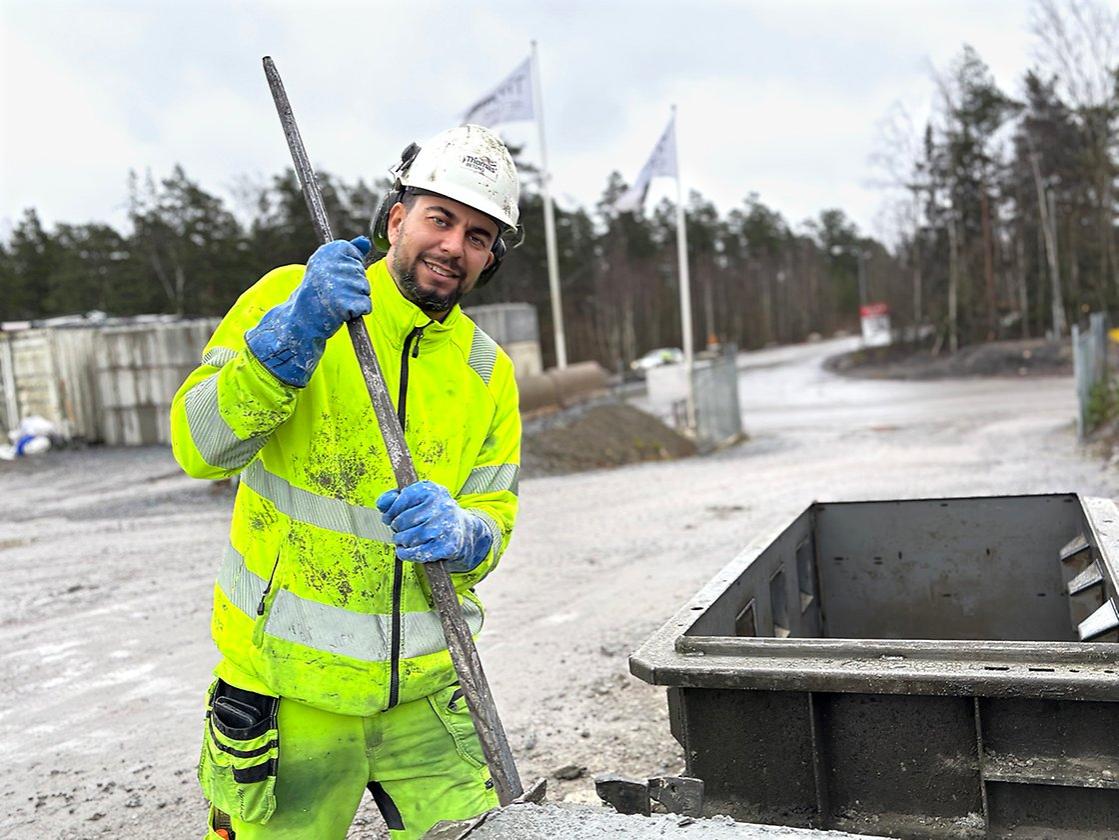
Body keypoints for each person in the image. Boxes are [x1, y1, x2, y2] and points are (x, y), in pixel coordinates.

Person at [169, 124, 523, 839]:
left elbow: (494, 512)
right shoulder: (292, 296)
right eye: (440, 219)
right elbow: (199, 448)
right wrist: (287, 342)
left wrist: (467, 534)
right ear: (396, 220)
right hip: (288, 692)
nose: (453, 246)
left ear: (489, 258)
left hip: (430, 697)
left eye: (478, 236)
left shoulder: (487, 372)